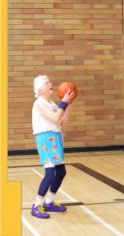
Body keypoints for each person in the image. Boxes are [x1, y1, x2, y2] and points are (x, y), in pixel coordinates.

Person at [31, 75, 75, 219]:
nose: (50, 84)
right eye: (47, 83)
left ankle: (49, 201)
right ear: (39, 89)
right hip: (45, 139)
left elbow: (63, 122)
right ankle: (37, 205)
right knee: (50, 173)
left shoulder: (51, 104)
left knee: (61, 172)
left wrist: (69, 105)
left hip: (55, 138)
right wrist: (63, 102)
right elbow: (55, 118)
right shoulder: (39, 104)